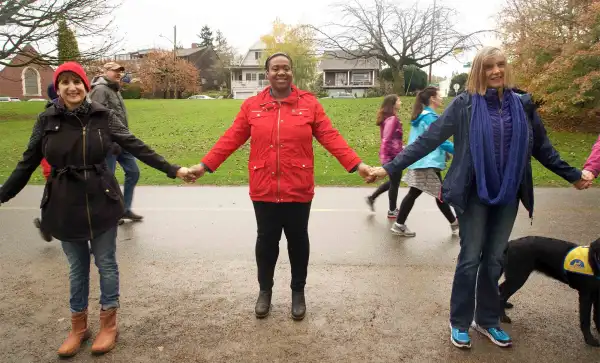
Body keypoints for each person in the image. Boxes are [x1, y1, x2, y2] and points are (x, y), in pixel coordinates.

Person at [368, 46, 590, 349]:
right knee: (471, 258)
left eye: (500, 65)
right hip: (473, 193)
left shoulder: (523, 106)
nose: (496, 71)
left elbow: (543, 148)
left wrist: (573, 175)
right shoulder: (464, 105)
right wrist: (388, 168)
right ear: (479, 71)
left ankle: (486, 320)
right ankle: (459, 320)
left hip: (509, 194)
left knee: (495, 259)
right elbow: (428, 140)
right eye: (489, 66)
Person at [0, 62, 189, 357]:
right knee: (77, 268)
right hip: (64, 204)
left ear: (86, 86)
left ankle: (108, 325)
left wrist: (173, 169)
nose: (72, 87)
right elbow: (26, 163)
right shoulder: (46, 120)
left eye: (77, 81)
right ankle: (78, 327)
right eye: (65, 82)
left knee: (106, 263)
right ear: (58, 88)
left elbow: (136, 146)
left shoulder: (103, 117)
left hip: (101, 200)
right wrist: (3, 194)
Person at [185, 52, 372, 321]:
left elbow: (331, 137)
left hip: (299, 187)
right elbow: (231, 139)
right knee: (267, 241)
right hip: (264, 188)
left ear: (292, 72)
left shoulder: (309, 104)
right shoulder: (252, 106)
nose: (281, 73)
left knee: (298, 241)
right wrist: (204, 166)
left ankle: (298, 293)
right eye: (275, 68)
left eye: (285, 68)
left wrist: (357, 165)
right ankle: (265, 291)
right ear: (267, 73)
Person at [391, 87, 458, 237]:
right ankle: (454, 224)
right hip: (426, 162)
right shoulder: (429, 117)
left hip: (423, 161)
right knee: (439, 195)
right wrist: (457, 150)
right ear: (432, 99)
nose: (441, 98)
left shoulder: (424, 116)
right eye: (439, 95)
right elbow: (439, 139)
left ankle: (399, 224)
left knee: (425, 194)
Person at [89, 62, 143, 222]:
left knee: (133, 172)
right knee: (108, 179)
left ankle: (124, 209)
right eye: (114, 71)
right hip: (108, 144)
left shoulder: (114, 89)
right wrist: (108, 141)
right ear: (104, 72)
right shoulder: (100, 90)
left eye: (120, 71)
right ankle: (110, 212)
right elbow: (96, 118)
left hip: (122, 140)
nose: (118, 74)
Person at [365, 94, 404, 218]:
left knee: (394, 181)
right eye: (398, 100)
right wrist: (386, 160)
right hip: (392, 157)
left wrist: (402, 148)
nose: (401, 101)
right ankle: (392, 210)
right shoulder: (392, 119)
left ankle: (372, 198)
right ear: (393, 104)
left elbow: (392, 139)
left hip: (394, 155)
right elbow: (386, 140)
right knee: (395, 182)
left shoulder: (390, 118)